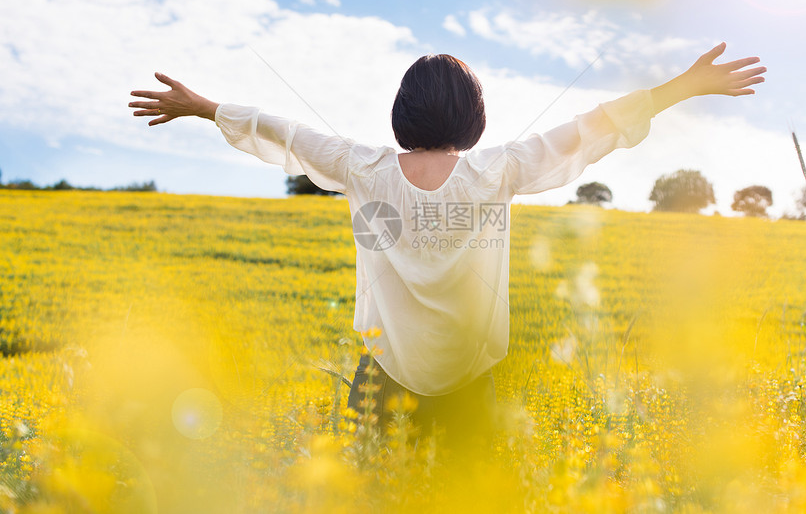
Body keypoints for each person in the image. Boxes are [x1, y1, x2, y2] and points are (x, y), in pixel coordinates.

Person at [129, 42, 765, 449]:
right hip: (470, 384)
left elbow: (286, 132)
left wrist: (206, 108)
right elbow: (587, 131)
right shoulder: (496, 171)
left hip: (380, 380)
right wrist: (682, 86)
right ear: (474, 115)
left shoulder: (365, 168)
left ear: (402, 112)